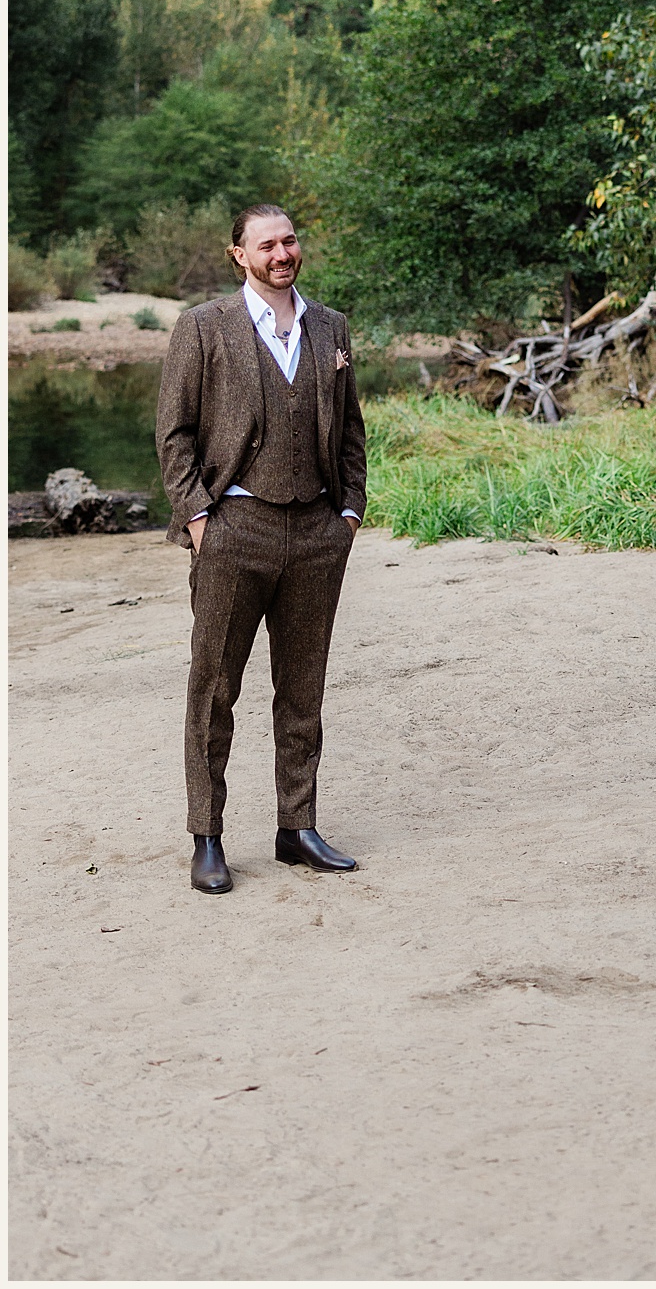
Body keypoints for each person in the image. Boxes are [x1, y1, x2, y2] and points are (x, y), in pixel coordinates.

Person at [156, 204, 367, 895]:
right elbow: (175, 434)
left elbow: (352, 435)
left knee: (302, 691)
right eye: (267, 244)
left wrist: (349, 514)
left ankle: (296, 828)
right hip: (234, 533)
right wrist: (198, 520)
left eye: (290, 240)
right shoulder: (204, 326)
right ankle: (208, 837)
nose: (283, 253)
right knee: (214, 691)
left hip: (316, 534)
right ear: (239, 255)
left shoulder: (330, 327)